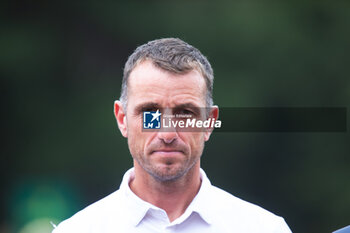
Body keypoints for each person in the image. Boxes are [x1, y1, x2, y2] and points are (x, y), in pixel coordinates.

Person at [52, 38, 292, 232]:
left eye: (184, 113)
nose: (167, 133)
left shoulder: (264, 228)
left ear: (209, 122)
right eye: (150, 113)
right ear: (122, 119)